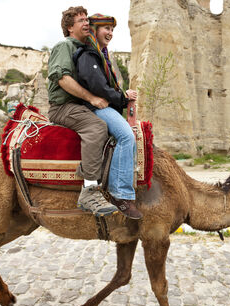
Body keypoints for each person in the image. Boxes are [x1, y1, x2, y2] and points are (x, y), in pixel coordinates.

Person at [47, 6, 117, 216]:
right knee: (97, 128)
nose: (87, 23)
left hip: (78, 106)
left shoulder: (86, 48)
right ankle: (89, 190)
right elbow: (63, 79)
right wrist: (92, 98)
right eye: (80, 21)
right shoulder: (64, 46)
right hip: (63, 107)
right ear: (69, 27)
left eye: (87, 20)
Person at [72, 13, 142, 219]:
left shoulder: (100, 55)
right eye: (106, 28)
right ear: (95, 30)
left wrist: (122, 96)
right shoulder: (89, 55)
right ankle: (121, 194)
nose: (110, 33)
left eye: (112, 29)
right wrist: (121, 98)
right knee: (126, 136)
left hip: (102, 104)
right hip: (95, 107)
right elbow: (97, 87)